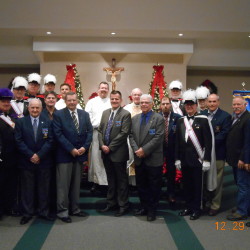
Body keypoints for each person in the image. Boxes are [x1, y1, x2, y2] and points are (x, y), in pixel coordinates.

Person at [53, 92, 93, 223]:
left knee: (76, 184)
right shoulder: (58, 114)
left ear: (77, 101)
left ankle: (75, 209)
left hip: (80, 155)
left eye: (74, 100)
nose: (72, 102)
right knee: (63, 185)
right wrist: (71, 149)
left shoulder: (84, 114)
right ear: (65, 101)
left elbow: (90, 132)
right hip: (65, 155)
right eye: (69, 100)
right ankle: (62, 211)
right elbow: (58, 134)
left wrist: (84, 148)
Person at [15, 98, 54, 225]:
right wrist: (31, 155)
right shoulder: (21, 122)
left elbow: (50, 141)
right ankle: (27, 213)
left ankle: (43, 212)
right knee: (27, 189)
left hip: (44, 161)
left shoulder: (47, 122)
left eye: (37, 108)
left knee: (44, 189)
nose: (35, 110)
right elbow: (18, 141)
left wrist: (39, 155)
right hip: (27, 161)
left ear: (41, 109)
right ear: (28, 108)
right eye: (32, 107)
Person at [175, 89, 212, 220]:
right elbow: (178, 142)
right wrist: (177, 159)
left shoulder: (203, 120)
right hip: (184, 160)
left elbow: (208, 141)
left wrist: (207, 159)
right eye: (187, 105)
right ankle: (188, 206)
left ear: (196, 105)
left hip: (198, 159)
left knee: (197, 186)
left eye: (192, 104)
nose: (189, 107)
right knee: (187, 185)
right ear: (184, 106)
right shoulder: (181, 121)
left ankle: (197, 209)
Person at [129, 94, 164, 221]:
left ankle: (152, 210)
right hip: (139, 158)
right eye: (142, 102)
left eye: (146, 102)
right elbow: (131, 135)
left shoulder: (158, 118)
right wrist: (136, 150)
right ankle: (144, 207)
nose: (143, 104)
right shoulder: (135, 118)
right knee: (141, 185)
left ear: (152, 104)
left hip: (153, 158)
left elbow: (158, 137)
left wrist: (144, 150)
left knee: (153, 186)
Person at [98, 90, 131, 217]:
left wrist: (110, 147)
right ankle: (111, 203)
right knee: (110, 179)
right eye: (112, 99)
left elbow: (124, 133)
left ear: (121, 100)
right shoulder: (105, 113)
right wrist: (102, 145)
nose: (114, 101)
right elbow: (100, 131)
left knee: (121, 180)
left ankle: (123, 205)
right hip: (105, 153)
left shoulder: (125, 114)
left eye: (117, 99)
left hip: (118, 153)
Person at [202, 94, 231, 216]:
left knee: (217, 181)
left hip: (218, 154)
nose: (212, 104)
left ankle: (215, 205)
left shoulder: (225, 116)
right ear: (207, 102)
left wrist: (208, 145)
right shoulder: (202, 114)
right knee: (205, 179)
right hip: (203, 154)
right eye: (210, 101)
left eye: (214, 101)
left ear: (218, 102)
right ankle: (207, 202)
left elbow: (223, 135)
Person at [226, 96, 250, 221]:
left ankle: (242, 211)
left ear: (245, 104)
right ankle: (244, 206)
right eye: (234, 104)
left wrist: (244, 159)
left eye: (239, 104)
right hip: (235, 159)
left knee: (243, 185)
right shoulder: (235, 118)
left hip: (242, 160)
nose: (236, 107)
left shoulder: (248, 119)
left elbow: (248, 142)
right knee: (240, 184)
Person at [85, 82, 111, 191]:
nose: (103, 90)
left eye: (105, 88)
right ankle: (96, 181)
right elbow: (87, 117)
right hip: (95, 132)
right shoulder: (92, 102)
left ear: (108, 90)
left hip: (109, 133)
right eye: (102, 88)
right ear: (98, 89)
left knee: (107, 157)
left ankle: (108, 181)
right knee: (96, 158)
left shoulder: (111, 101)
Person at [160, 96, 181, 206]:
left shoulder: (178, 118)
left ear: (170, 105)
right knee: (157, 173)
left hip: (172, 151)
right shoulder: (156, 117)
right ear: (160, 105)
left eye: (167, 104)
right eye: (163, 104)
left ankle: (171, 194)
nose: (165, 106)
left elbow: (180, 136)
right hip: (159, 151)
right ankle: (158, 194)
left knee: (171, 174)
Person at [0, 88, 18, 218]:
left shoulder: (12, 118)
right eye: (3, 101)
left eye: (8, 101)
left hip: (12, 157)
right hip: (1, 157)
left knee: (10, 184)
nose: (6, 103)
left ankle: (9, 207)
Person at [124, 88, 142, 185]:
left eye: (139, 95)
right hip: (129, 139)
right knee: (130, 159)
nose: (137, 97)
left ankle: (138, 183)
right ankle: (129, 183)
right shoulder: (127, 108)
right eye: (135, 94)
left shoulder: (145, 107)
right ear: (131, 95)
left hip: (142, 139)